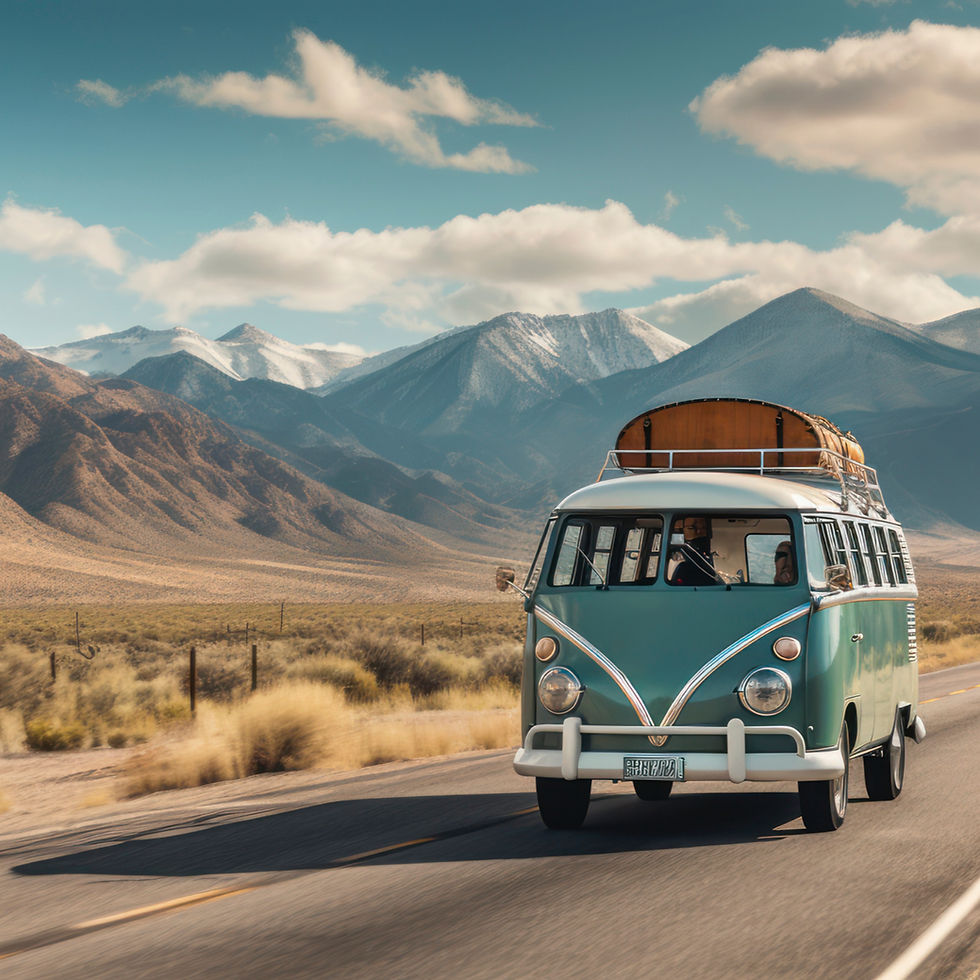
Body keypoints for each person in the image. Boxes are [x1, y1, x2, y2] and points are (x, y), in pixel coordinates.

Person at [669, 515, 718, 586]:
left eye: (704, 528)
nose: (699, 532)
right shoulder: (681, 557)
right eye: (691, 528)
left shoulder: (711, 559)